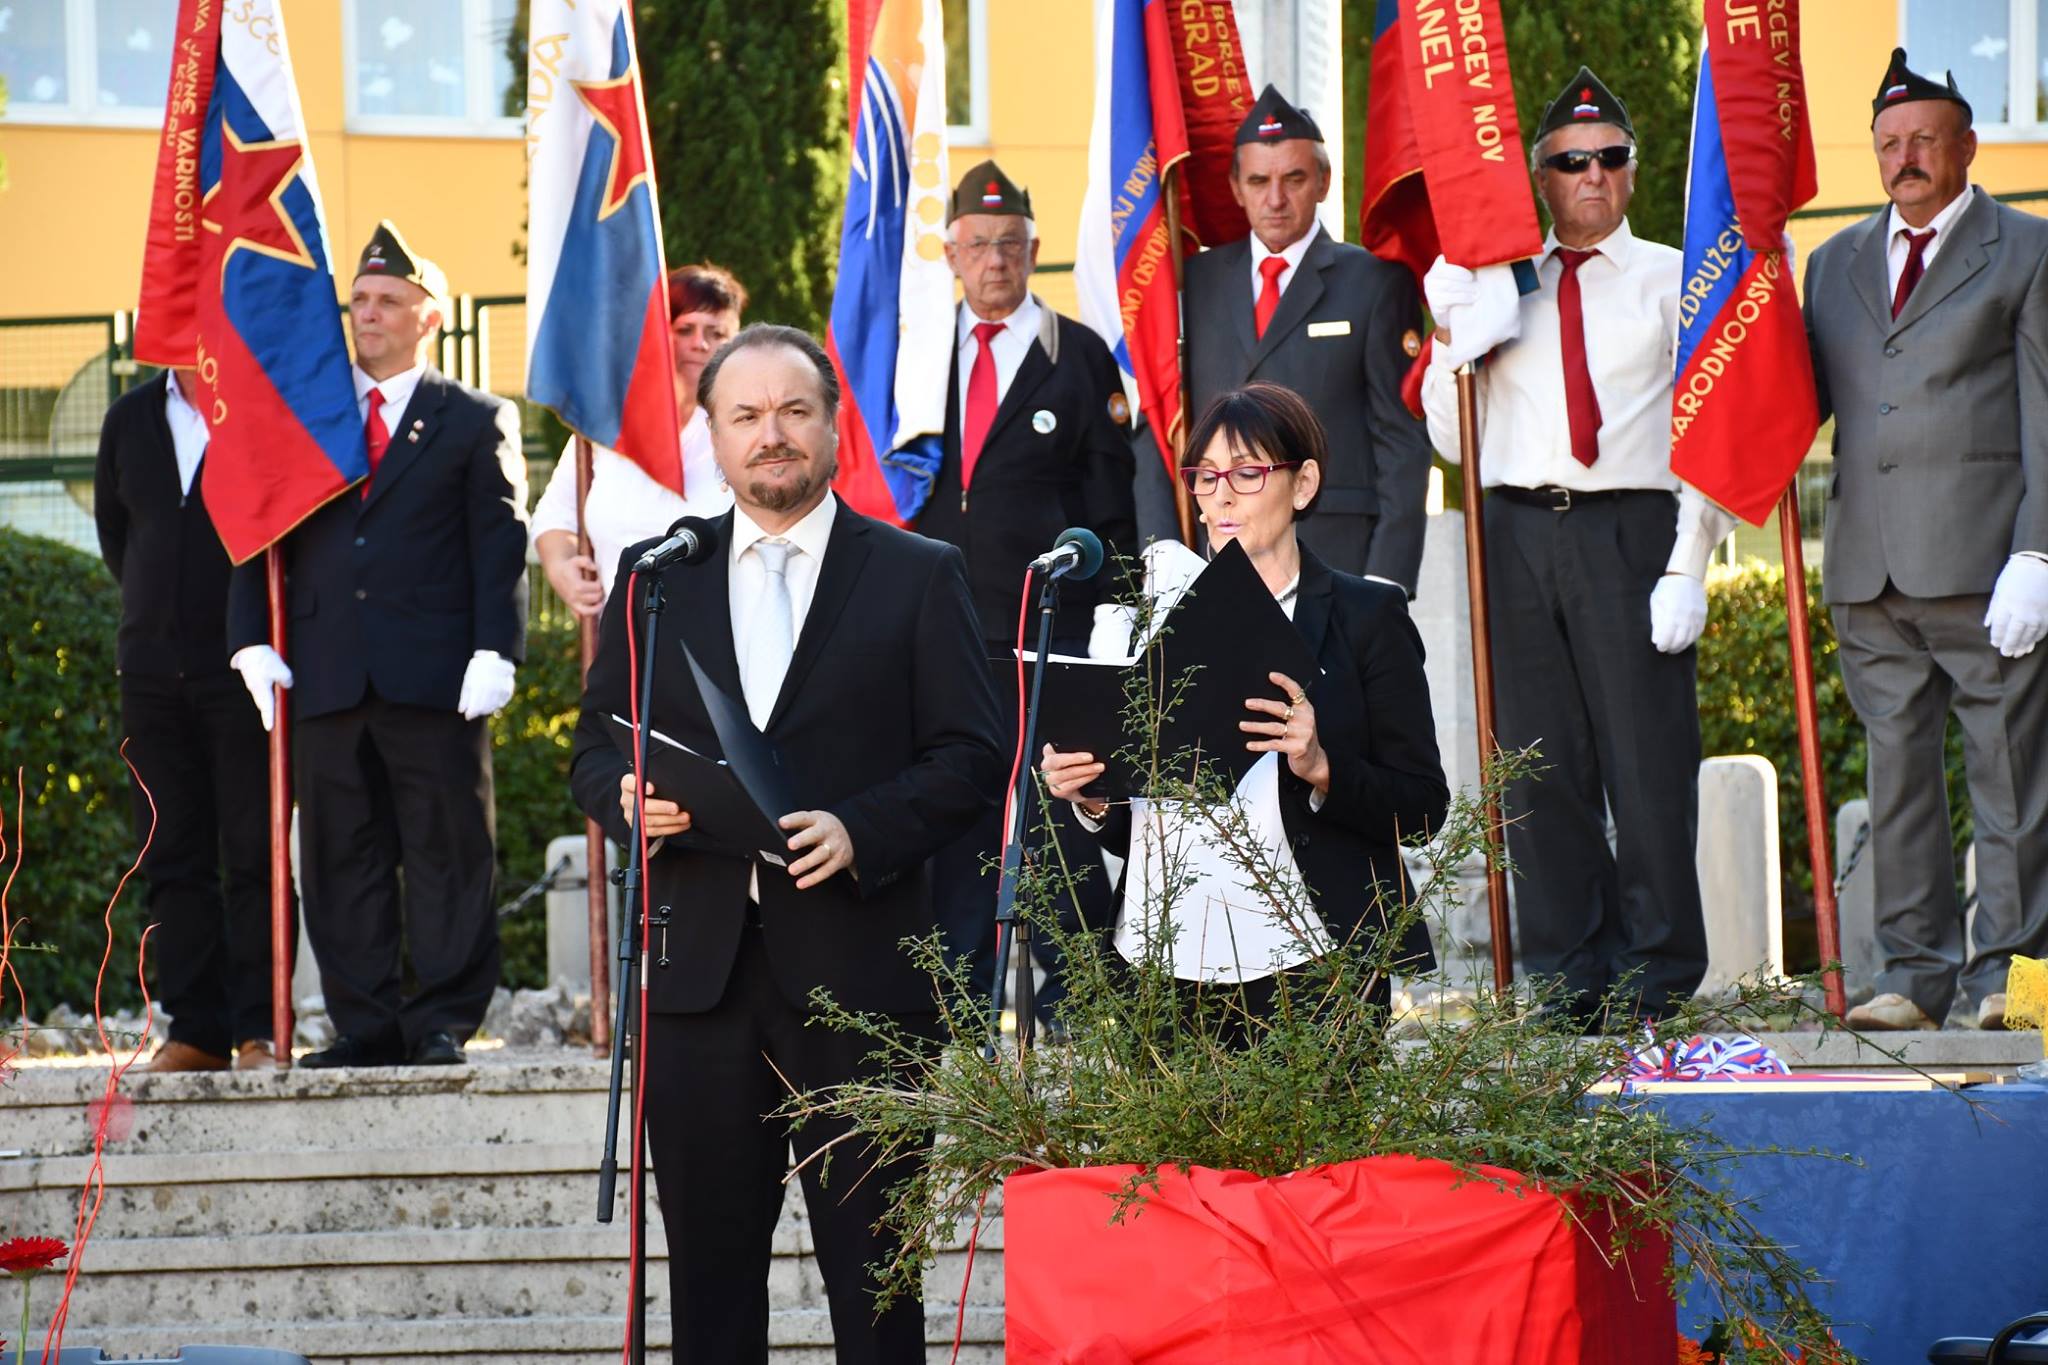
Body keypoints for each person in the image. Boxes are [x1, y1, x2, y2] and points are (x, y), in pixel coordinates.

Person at [568, 324, 1003, 1363]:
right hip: (696, 984)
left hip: (864, 979)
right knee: (710, 1293)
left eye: (794, 411)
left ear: (835, 426)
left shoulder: (916, 572)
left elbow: (973, 754)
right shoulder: (656, 576)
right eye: (746, 416)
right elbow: (592, 746)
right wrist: (627, 800)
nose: (772, 434)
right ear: (712, 437)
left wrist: (862, 828)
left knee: (876, 1288)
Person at [1418, 68, 1735, 1026]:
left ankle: (1657, 975)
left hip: (1629, 527)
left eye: (1608, 157)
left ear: (1632, 171)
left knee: (1646, 762)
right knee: (1536, 766)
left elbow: (1714, 432)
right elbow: (1450, 439)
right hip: (1514, 526)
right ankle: (1565, 976)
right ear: (1540, 176)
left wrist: (1689, 561)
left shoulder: (1677, 277)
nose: (1590, 174)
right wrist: (1450, 334)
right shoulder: (1499, 284)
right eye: (1570, 161)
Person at [1041, 382, 1447, 1019]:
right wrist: (1093, 797)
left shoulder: (1366, 615)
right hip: (1160, 961)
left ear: (1303, 484)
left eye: (1247, 473)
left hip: (1314, 963)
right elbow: (1138, 828)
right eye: (1205, 477)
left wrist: (1322, 766)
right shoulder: (1149, 616)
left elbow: (1422, 809)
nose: (1221, 496)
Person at [227, 220, 529, 1068]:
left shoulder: (472, 418)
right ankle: (364, 1024)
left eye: (389, 299)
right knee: (339, 858)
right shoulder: (308, 413)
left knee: (446, 851)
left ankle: (439, 1021)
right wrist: (249, 636)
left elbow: (499, 540)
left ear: (430, 317)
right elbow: (259, 523)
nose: (368, 313)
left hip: (434, 677)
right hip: (323, 672)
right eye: (359, 299)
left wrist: (498, 647)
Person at [1805, 50, 2048, 1032]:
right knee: (1896, 777)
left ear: (1966, 146)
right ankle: (1912, 975)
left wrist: (2038, 553)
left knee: (2009, 780)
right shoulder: (1831, 263)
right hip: (1868, 569)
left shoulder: (2026, 250)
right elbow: (1797, 406)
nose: (1903, 158)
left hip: (1987, 568)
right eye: (1887, 143)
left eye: (1922, 140)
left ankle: (2010, 979)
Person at [914, 159, 1133, 1014]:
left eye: (1010, 243)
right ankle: (959, 1002)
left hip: (1049, 628)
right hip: (942, 630)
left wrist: (1112, 618)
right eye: (977, 244)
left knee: (1056, 808)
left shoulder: (1076, 356)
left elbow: (1112, 509)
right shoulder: (915, 358)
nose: (995, 260)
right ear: (951, 254)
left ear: (1034, 251)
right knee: (957, 808)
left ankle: (1079, 999)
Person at [94, 367, 295, 1072]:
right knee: (170, 855)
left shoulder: (258, 405)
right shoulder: (128, 418)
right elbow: (118, 536)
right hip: (150, 674)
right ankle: (196, 1030)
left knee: (254, 854)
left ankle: (261, 1028)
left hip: (242, 668)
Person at [1182, 85, 1433, 595]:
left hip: (1335, 557)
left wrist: (1387, 577)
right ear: (1235, 187)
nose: (1275, 199)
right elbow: (1163, 424)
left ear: (1323, 181)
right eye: (1259, 181)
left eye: (1293, 179)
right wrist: (1160, 551)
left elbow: (1402, 442)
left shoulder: (1374, 282)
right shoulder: (1195, 283)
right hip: (1213, 554)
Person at [530, 263, 743, 613]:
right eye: (684, 329)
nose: (700, 344)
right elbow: (555, 516)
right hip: (622, 633)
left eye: (716, 332)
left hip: (722, 631)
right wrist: (562, 566)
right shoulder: (608, 426)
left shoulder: (749, 431)